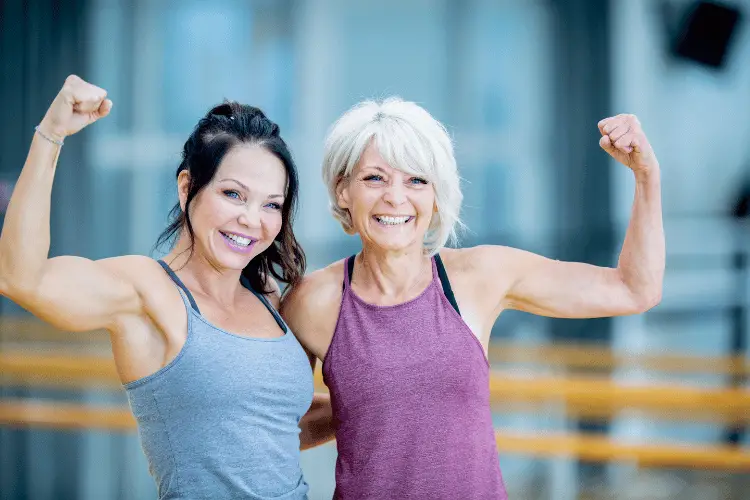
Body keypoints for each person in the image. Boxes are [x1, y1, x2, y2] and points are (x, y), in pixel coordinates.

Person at [281, 97, 664, 499]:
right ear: (343, 190)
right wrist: (360, 409)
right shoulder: (314, 301)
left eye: (416, 180)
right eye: (375, 178)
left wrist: (646, 176)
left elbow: (635, 289)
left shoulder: (479, 277)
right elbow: (274, 423)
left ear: (435, 196)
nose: (396, 197)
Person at [0, 75, 334, 500]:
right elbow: (18, 277)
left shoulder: (265, 294)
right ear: (187, 187)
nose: (253, 219)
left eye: (272, 204)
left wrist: (383, 400)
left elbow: (275, 429)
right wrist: (51, 134)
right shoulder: (145, 290)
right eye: (233, 194)